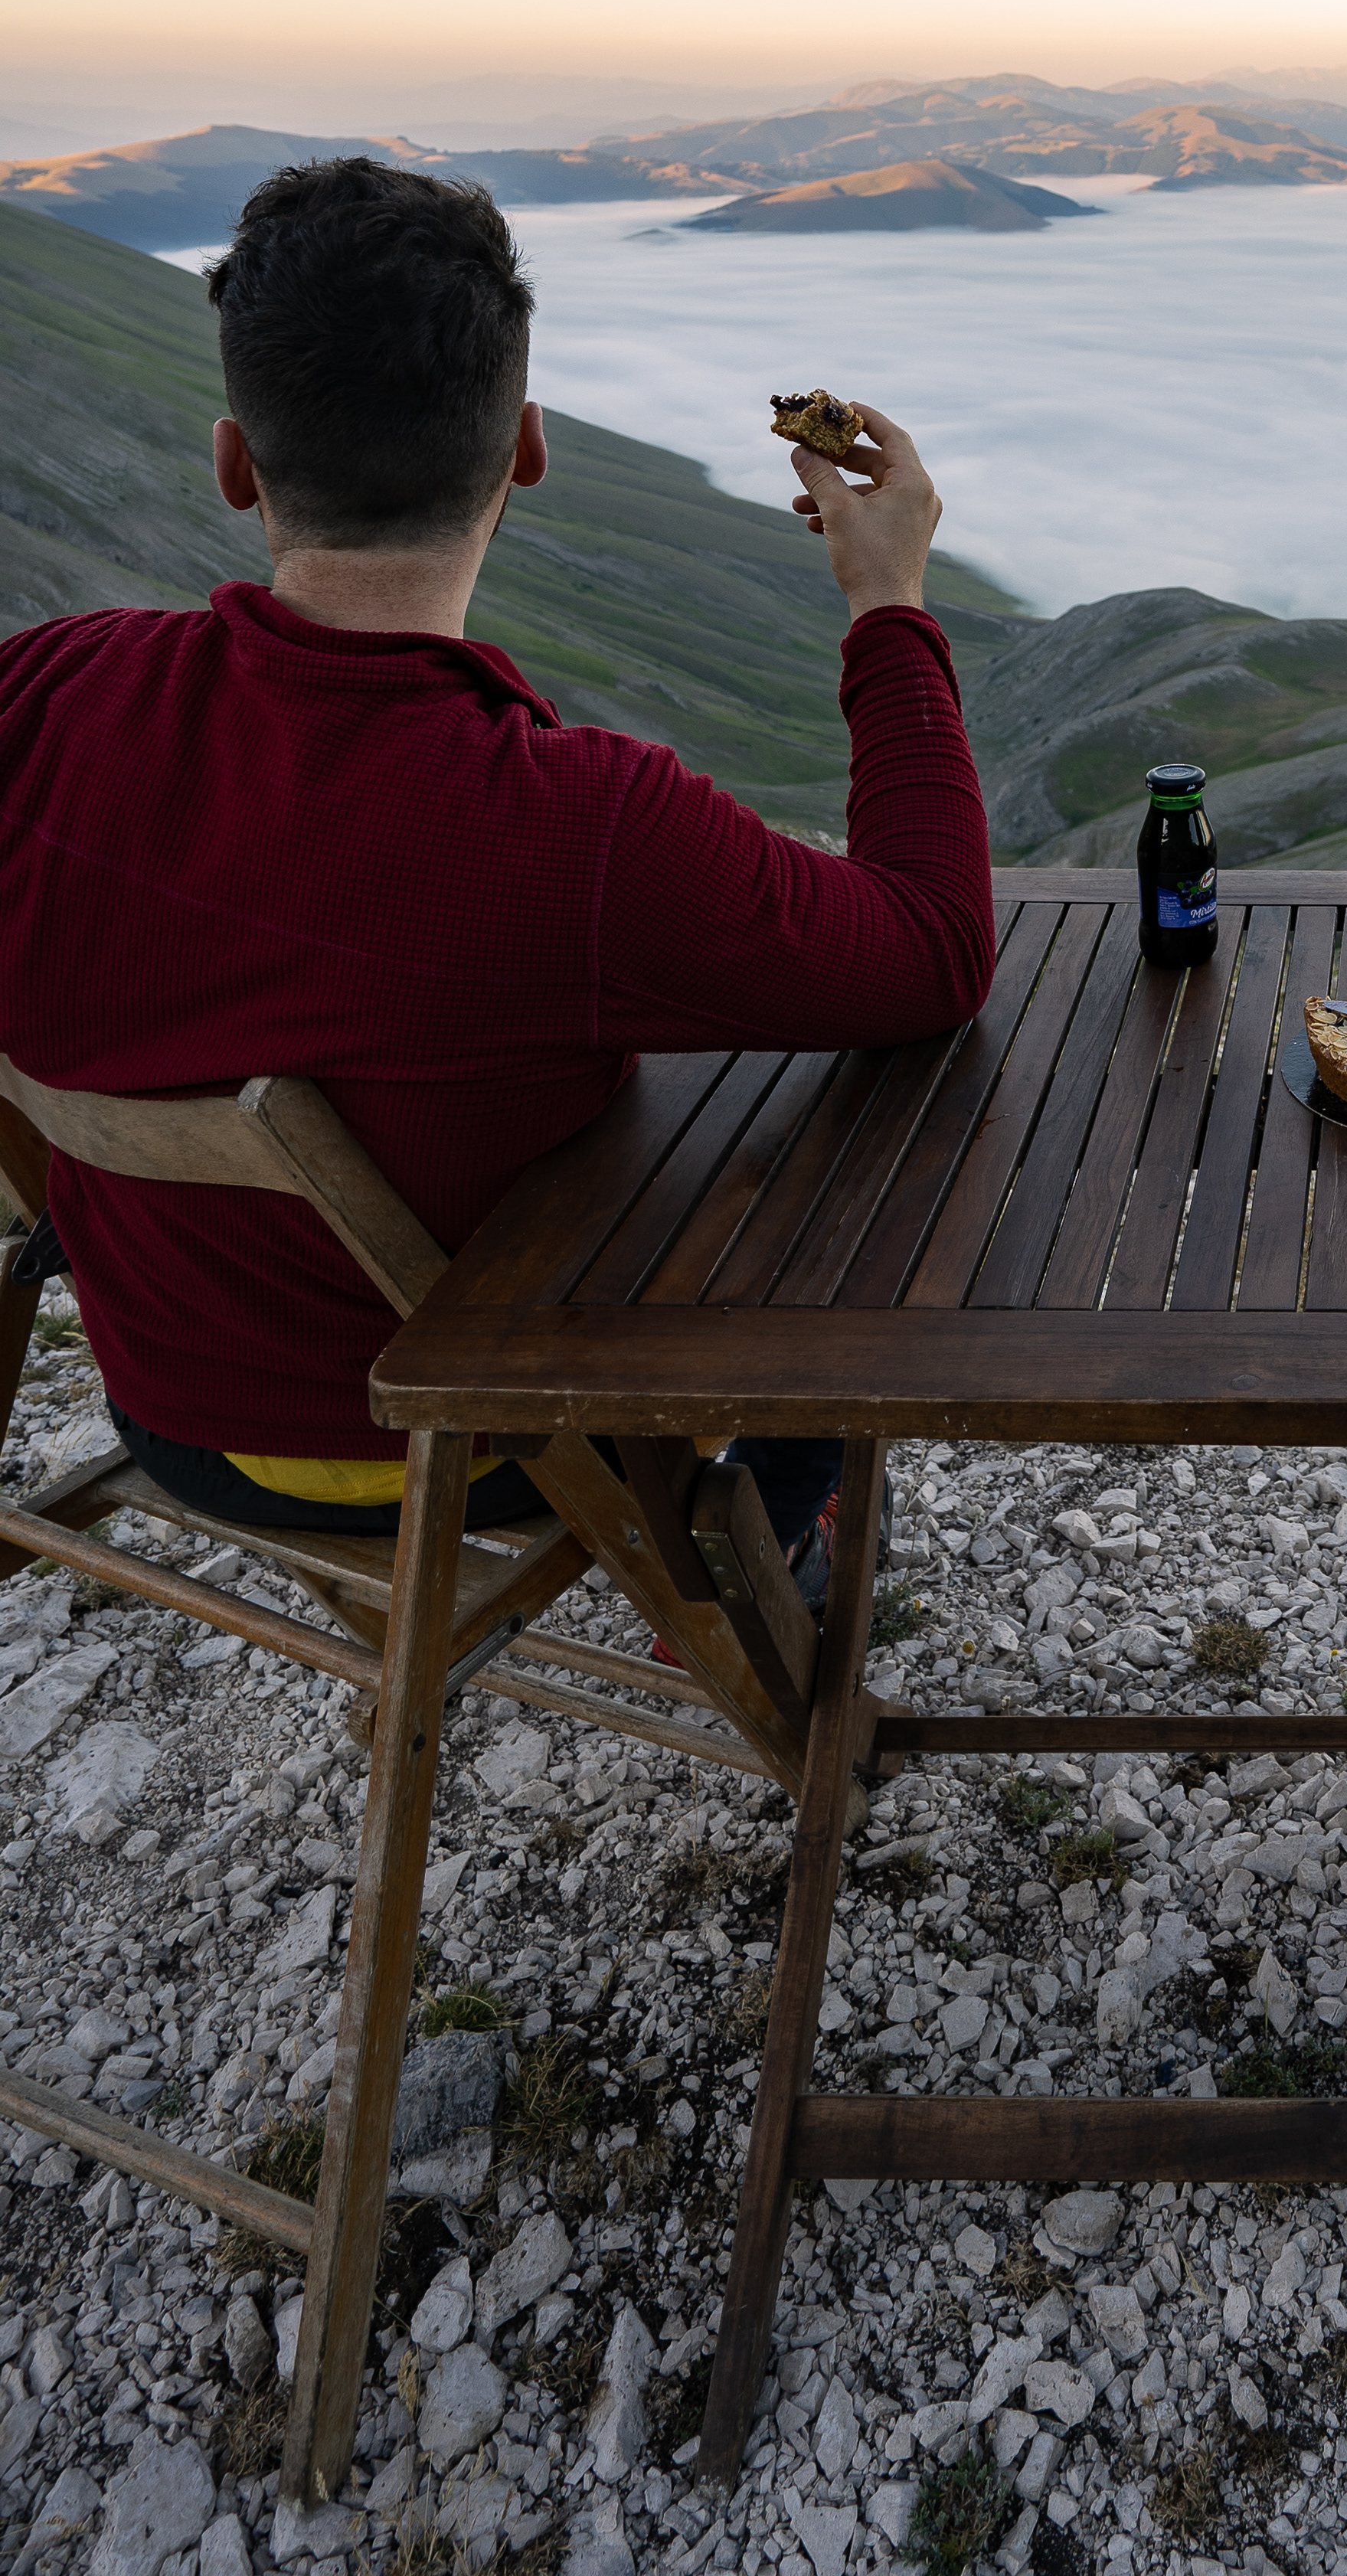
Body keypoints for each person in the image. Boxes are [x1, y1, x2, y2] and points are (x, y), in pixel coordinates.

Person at [0, 156, 996, 1610]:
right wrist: (889, 601)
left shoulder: (40, 694)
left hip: (163, 1412)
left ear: (234, 464)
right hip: (467, 1439)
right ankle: (768, 1530)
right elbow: (934, 951)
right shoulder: (578, 824)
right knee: (842, 1134)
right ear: (525, 449)